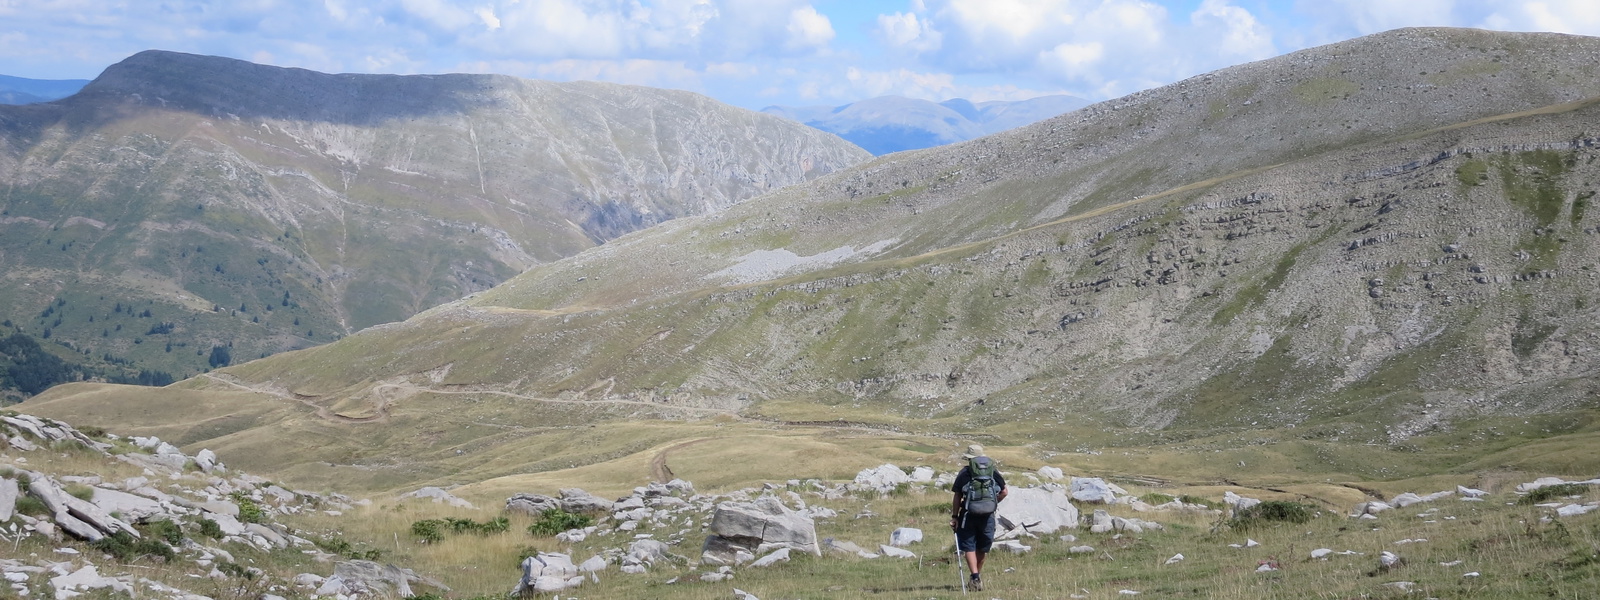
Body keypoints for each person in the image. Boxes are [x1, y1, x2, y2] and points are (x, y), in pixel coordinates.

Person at [950, 443, 1007, 591]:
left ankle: (975, 576)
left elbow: (957, 495)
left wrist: (955, 516)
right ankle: (976, 577)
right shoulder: (992, 472)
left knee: (969, 545)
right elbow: (1004, 492)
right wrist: (992, 503)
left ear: (969, 459)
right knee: (983, 547)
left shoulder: (965, 473)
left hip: (968, 514)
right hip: (988, 515)